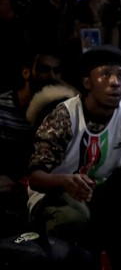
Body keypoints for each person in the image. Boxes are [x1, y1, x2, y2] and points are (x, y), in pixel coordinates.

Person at [26, 45, 121, 268]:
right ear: (87, 83)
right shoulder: (64, 115)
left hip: (102, 192)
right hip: (55, 193)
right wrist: (64, 181)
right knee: (74, 215)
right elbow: (36, 177)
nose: (115, 82)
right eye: (105, 75)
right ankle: (61, 259)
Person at [0, 44, 74, 236]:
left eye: (57, 71)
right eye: (44, 69)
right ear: (26, 72)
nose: (52, 76)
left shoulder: (61, 108)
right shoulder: (2, 107)